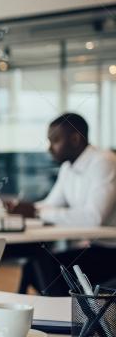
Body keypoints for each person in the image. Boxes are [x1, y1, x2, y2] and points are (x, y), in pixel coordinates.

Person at [9, 113, 116, 295]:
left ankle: (64, 316)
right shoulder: (68, 168)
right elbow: (50, 204)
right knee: (35, 263)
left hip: (110, 252)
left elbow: (94, 217)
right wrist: (21, 209)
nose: (49, 148)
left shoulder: (103, 162)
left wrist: (37, 212)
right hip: (92, 247)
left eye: (55, 141)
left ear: (74, 139)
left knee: (45, 266)